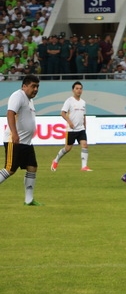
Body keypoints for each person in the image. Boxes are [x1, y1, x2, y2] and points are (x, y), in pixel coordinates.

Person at [1, 75, 42, 206]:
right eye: (33, 86)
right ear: (24, 86)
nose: (35, 89)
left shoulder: (30, 100)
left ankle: (29, 200)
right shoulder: (18, 96)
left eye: (37, 87)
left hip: (26, 143)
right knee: (10, 169)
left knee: (32, 167)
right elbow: (10, 113)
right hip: (15, 140)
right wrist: (14, 134)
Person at [50, 81, 91, 172]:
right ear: (73, 90)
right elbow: (62, 113)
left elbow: (83, 115)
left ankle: (84, 166)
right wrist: (69, 122)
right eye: (77, 88)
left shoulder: (83, 102)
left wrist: (85, 126)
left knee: (84, 145)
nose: (79, 90)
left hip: (81, 129)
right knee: (67, 149)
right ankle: (56, 160)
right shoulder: (69, 101)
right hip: (71, 130)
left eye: (80, 89)